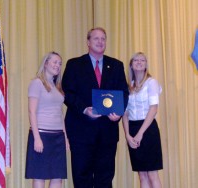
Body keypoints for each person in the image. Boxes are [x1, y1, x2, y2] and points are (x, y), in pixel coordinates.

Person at [62, 27, 129, 188]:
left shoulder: (116, 65)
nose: (100, 42)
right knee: (81, 176)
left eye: (103, 39)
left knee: (105, 178)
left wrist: (118, 113)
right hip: (81, 131)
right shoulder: (74, 64)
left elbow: (124, 93)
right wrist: (84, 109)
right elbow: (68, 93)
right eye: (96, 38)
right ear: (88, 42)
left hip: (107, 132)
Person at [25, 51, 69, 188]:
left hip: (58, 137)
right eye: (55, 62)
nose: (58, 65)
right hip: (42, 134)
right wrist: (37, 138)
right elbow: (32, 111)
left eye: (60, 63)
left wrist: (65, 137)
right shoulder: (37, 83)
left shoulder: (58, 87)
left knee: (58, 177)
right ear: (46, 63)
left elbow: (60, 114)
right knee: (40, 176)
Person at [122, 52, 163, 188]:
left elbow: (153, 109)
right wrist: (128, 135)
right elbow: (125, 113)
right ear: (131, 65)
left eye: (142, 60)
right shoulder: (129, 87)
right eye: (136, 60)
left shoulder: (151, 83)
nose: (139, 62)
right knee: (142, 175)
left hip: (148, 129)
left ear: (146, 65)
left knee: (152, 174)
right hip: (132, 129)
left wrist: (140, 133)